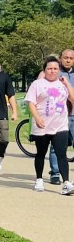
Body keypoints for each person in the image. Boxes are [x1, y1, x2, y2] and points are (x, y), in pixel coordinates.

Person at [25, 56, 74, 194]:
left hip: (60, 125)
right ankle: (39, 179)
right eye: (50, 69)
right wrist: (37, 118)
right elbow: (31, 103)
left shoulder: (62, 83)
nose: (53, 71)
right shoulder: (37, 84)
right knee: (41, 153)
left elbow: (72, 99)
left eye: (55, 69)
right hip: (42, 126)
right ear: (45, 70)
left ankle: (66, 183)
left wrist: (68, 84)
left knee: (61, 154)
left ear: (59, 70)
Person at [47, 47, 74, 182]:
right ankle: (55, 173)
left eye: (71, 58)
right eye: (66, 57)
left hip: (73, 114)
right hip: (59, 115)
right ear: (60, 58)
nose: (68, 60)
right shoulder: (54, 73)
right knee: (56, 146)